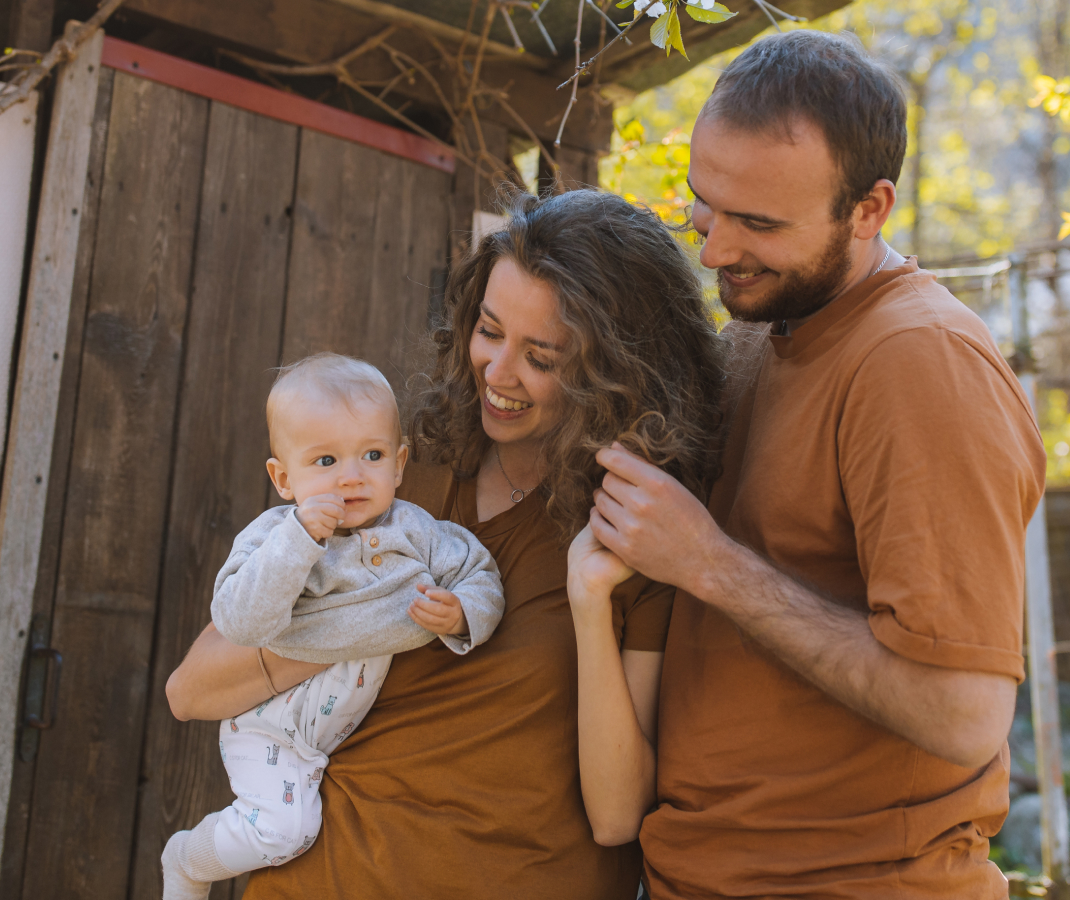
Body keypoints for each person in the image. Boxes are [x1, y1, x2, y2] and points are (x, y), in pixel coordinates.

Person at [588, 31, 1047, 899]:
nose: (716, 250)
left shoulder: (921, 365)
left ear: (869, 209)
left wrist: (708, 563)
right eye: (704, 204)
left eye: (759, 223)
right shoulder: (764, 323)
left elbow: (964, 713)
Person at [163, 189, 725, 899]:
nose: (497, 372)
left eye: (541, 356)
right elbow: (192, 690)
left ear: (615, 369)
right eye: (489, 331)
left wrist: (588, 601)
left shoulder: (638, 538)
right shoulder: (391, 479)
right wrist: (369, 617)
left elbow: (616, 819)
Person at [161, 354, 504, 900]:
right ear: (283, 478)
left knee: (308, 826)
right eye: (324, 461)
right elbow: (239, 620)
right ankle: (187, 860)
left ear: (398, 465)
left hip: (332, 737)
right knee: (282, 832)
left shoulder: (418, 531)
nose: (351, 476)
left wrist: (462, 613)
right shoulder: (272, 538)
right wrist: (298, 541)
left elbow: (478, 571)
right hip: (266, 723)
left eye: (371, 455)